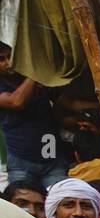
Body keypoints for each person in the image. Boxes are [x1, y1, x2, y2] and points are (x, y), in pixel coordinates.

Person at [0, 42, 67, 187]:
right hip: (22, 161)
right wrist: (35, 73)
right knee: (25, 208)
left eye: (11, 57)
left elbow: (64, 102)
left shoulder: (32, 79)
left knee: (60, 202)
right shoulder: (32, 78)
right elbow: (16, 102)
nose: (8, 63)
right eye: (1, 59)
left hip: (52, 159)